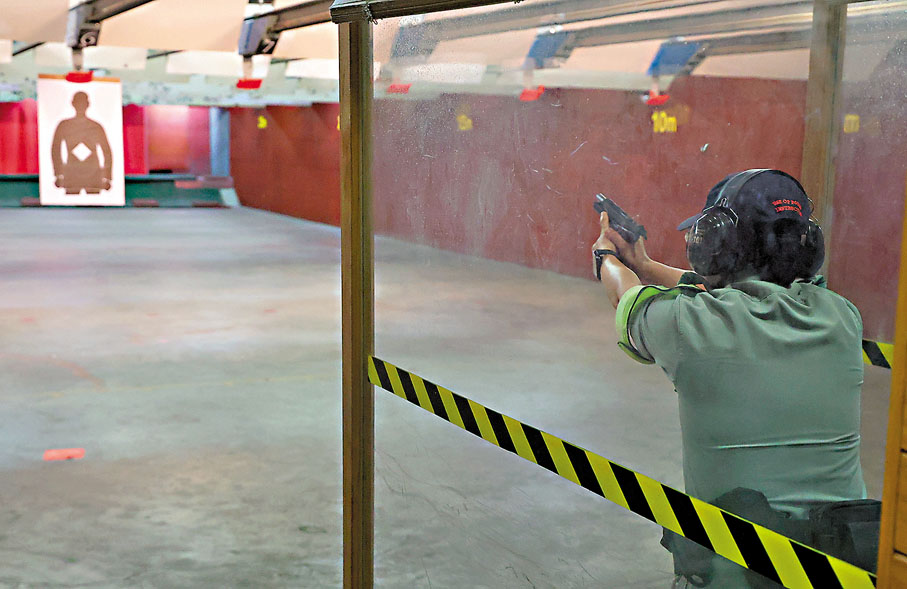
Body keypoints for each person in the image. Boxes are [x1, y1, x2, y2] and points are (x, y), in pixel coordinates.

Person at [592, 169, 867, 588]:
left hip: (742, 575)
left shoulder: (688, 328)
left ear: (720, 244)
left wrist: (607, 258)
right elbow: (719, 297)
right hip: (845, 568)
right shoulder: (843, 317)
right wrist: (645, 263)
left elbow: (626, 299)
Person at [51, 91, 113, 195]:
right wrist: (58, 173)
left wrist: (107, 176)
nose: (81, 106)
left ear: (88, 104)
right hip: (72, 173)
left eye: (83, 103)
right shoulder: (64, 125)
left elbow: (106, 151)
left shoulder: (96, 127)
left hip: (93, 173)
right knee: (70, 207)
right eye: (78, 103)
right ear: (73, 103)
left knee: (94, 206)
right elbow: (55, 149)